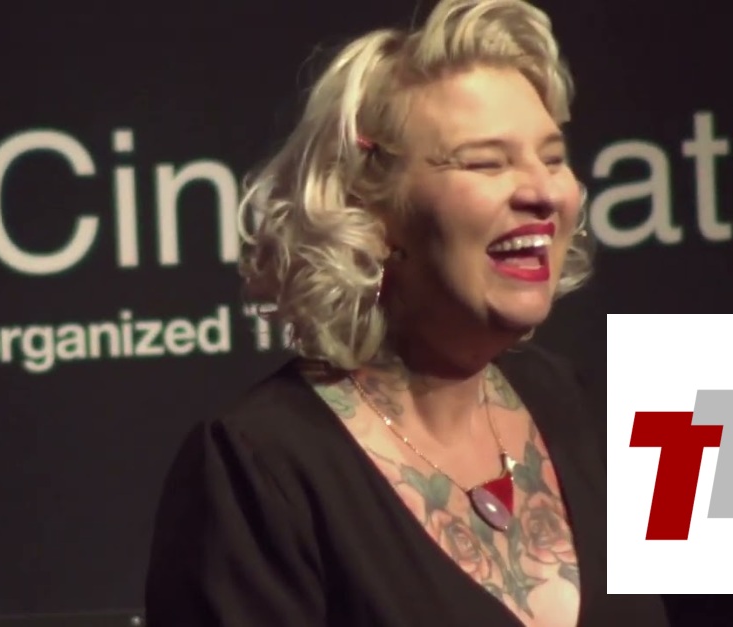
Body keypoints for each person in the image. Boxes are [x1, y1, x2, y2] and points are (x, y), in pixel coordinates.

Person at [145, 0, 670, 625]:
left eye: (553, 158)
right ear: (366, 210)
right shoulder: (258, 465)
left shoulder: (582, 405)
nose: (543, 192)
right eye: (486, 162)